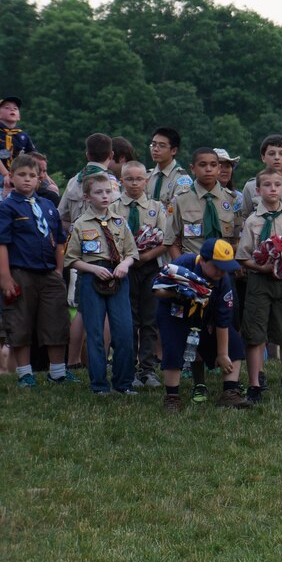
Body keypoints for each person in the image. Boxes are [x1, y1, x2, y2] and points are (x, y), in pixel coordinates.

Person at [163, 147, 239, 402]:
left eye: (214, 164)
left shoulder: (231, 199)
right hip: (192, 272)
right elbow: (171, 240)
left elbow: (237, 238)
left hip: (222, 276)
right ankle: (198, 383)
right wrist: (183, 272)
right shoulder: (181, 200)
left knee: (223, 322)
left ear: (220, 168)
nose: (209, 169)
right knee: (190, 327)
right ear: (193, 168)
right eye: (203, 165)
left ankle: (230, 384)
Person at [235, 168, 282, 402]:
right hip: (259, 281)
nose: (273, 189)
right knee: (255, 331)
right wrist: (262, 267)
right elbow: (243, 257)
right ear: (257, 191)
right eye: (267, 185)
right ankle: (255, 383)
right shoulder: (252, 221)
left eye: (277, 184)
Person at [0, 154, 73, 387]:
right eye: (21, 175)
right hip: (20, 271)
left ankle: (58, 371)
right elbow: (2, 244)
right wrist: (5, 277)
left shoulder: (48, 206)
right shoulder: (7, 207)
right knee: (20, 321)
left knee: (57, 320)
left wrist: (59, 270)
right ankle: (24, 373)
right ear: (11, 177)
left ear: (40, 178)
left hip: (49, 271)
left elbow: (60, 240)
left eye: (32, 176)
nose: (27, 180)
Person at [155, 238, 252, 412]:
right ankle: (172, 397)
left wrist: (222, 354)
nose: (221, 272)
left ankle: (230, 392)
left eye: (226, 269)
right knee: (173, 346)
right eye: (217, 267)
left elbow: (223, 319)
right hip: (175, 313)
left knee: (235, 342)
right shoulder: (184, 264)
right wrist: (179, 292)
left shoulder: (223, 280)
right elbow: (157, 289)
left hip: (205, 317)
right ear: (204, 260)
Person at [65, 172, 138, 395]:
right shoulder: (80, 224)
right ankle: (99, 385)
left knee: (124, 332)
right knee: (95, 334)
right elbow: (70, 259)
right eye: (98, 192)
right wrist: (94, 268)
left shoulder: (119, 221)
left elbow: (132, 252)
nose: (104, 196)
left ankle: (122, 384)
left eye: (108, 191)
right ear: (87, 197)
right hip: (92, 278)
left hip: (118, 277)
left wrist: (125, 264)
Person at [111, 161, 168, 388]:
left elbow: (167, 238)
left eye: (139, 179)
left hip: (148, 266)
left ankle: (148, 369)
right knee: (127, 320)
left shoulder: (156, 207)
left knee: (150, 318)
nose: (134, 183)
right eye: (129, 179)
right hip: (123, 269)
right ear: (121, 181)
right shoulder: (114, 207)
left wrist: (145, 256)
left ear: (147, 181)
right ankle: (129, 368)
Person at [58, 135, 121, 230]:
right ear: (111, 155)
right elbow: (118, 214)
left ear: (87, 155)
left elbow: (60, 218)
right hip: (103, 240)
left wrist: (76, 229)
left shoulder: (73, 181)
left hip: (76, 240)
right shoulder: (109, 181)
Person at [146, 127, 193, 207]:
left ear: (173, 150)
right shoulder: (146, 175)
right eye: (153, 145)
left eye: (162, 146)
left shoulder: (182, 178)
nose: (155, 149)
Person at [0, 96, 36, 178]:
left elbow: (33, 156)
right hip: (3, 174)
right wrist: (6, 174)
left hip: (18, 175)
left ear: (19, 116)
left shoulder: (22, 135)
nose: (12, 110)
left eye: (15, 108)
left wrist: (44, 175)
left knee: (51, 188)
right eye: (7, 108)